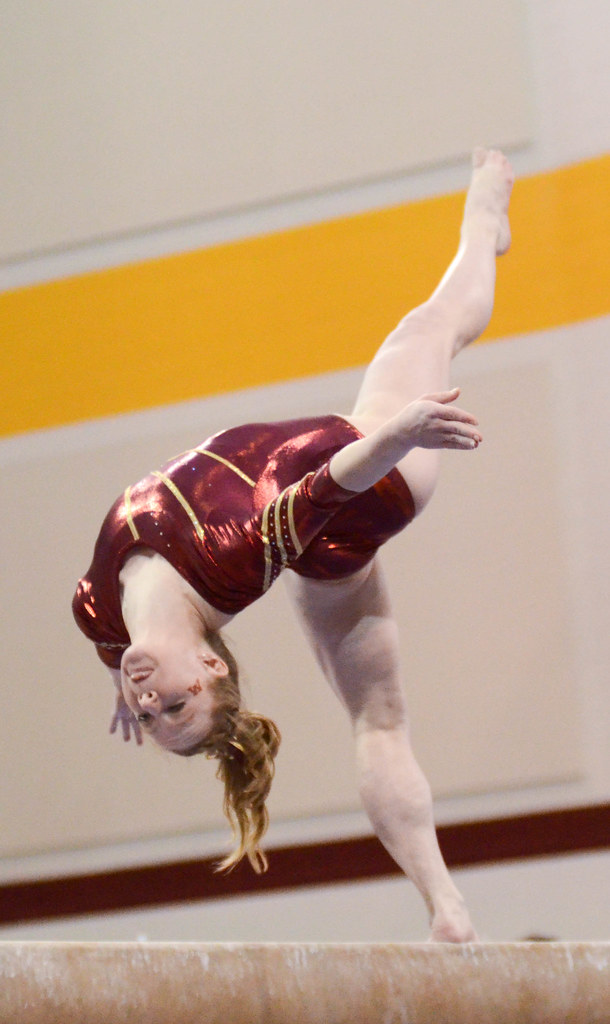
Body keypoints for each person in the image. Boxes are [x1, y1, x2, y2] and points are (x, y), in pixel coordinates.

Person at [73, 148, 514, 943]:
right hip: (369, 477)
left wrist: (119, 672)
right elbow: (325, 489)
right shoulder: (230, 559)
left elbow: (121, 648)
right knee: (430, 326)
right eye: (176, 704)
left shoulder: (99, 616)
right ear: (213, 666)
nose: (148, 698)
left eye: (150, 713)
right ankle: (484, 224)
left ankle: (447, 911)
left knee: (376, 718)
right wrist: (398, 432)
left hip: (323, 531)